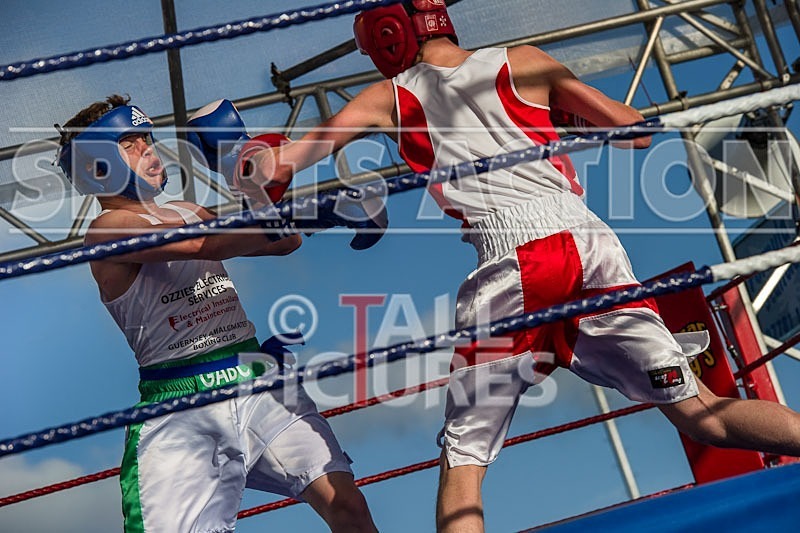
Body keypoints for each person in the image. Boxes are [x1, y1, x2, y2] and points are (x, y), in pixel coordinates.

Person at [205, 2, 800, 532]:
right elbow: (634, 134)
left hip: (511, 261)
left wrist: (244, 157)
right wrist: (560, 118)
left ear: (387, 33)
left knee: (463, 466)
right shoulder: (526, 60)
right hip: (590, 245)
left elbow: (276, 169)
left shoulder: (387, 97)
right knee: (700, 414)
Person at [55, 94, 378, 533]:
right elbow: (203, 244)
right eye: (130, 144)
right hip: (181, 404)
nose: (148, 149)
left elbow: (281, 242)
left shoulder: (187, 211)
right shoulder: (108, 229)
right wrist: (317, 210)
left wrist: (243, 176)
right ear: (97, 164)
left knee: (349, 507)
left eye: (147, 138)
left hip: (255, 378)